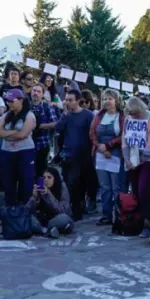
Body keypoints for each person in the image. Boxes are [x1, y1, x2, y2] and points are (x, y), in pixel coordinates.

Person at [122, 96, 150, 237]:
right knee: (136, 192)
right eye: (131, 114)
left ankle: (149, 223)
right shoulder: (128, 119)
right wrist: (127, 159)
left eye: (136, 114)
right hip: (132, 160)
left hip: (148, 160)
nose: (134, 116)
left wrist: (142, 155)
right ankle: (138, 222)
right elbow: (124, 140)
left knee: (145, 191)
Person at [55, 89, 95, 220]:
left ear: (78, 100)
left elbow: (93, 133)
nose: (68, 103)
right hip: (68, 154)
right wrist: (64, 116)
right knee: (68, 183)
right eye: (66, 100)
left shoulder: (88, 115)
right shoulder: (66, 115)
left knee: (80, 183)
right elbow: (58, 129)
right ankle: (72, 208)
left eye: (70, 100)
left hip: (84, 155)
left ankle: (79, 208)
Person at [0, 88, 37, 208]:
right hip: (7, 152)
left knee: (26, 182)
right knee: (8, 182)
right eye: (7, 101)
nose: (9, 103)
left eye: (12, 101)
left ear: (21, 100)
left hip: (25, 152)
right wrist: (15, 133)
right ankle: (11, 210)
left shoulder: (29, 115)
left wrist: (7, 134)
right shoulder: (6, 115)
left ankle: (26, 210)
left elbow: (23, 134)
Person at [91, 89, 125, 226]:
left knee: (117, 187)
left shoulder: (122, 116)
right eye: (104, 99)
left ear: (116, 100)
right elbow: (92, 133)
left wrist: (109, 145)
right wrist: (99, 146)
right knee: (104, 187)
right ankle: (106, 215)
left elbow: (124, 134)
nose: (107, 102)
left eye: (110, 99)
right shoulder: (99, 116)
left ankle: (119, 215)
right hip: (100, 154)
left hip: (116, 154)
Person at [26, 167, 74, 238]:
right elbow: (27, 210)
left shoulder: (62, 187)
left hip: (55, 220)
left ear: (55, 179)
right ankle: (46, 231)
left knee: (65, 218)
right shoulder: (40, 188)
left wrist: (48, 194)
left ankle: (44, 230)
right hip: (42, 221)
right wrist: (34, 197)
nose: (46, 180)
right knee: (26, 217)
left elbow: (63, 211)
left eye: (49, 177)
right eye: (44, 177)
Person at [30, 84, 61, 180]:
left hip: (42, 145)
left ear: (42, 94)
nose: (35, 93)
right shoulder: (26, 106)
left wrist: (38, 126)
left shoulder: (47, 107)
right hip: (27, 144)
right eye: (34, 90)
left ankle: (40, 192)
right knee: (27, 172)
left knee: (41, 172)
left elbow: (55, 123)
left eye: (38, 91)